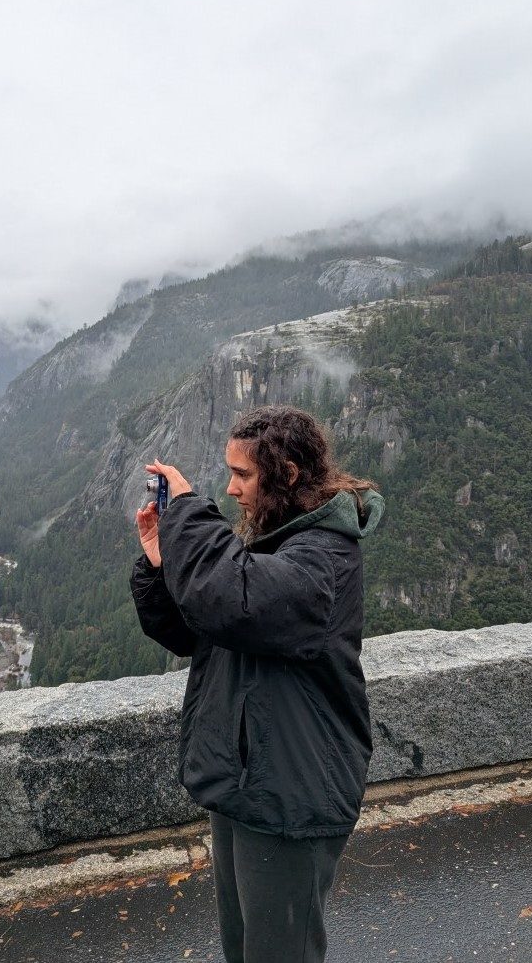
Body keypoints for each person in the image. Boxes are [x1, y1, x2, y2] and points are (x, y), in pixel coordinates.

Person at [131, 405, 384, 963]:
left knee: (279, 952)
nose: (231, 488)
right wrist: (159, 563)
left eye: (242, 474)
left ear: (287, 474)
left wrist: (190, 516)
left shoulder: (325, 558)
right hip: (247, 779)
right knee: (244, 946)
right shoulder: (275, 541)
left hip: (292, 789)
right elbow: (199, 628)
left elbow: (237, 601)